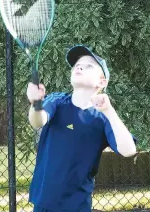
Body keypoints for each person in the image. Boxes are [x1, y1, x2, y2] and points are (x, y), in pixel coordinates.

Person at [27, 45, 137, 212]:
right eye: (77, 64)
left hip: (77, 206)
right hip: (43, 203)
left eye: (89, 66)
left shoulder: (103, 118)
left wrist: (109, 111)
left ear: (102, 82)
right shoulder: (57, 100)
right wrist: (36, 103)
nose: (79, 66)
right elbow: (38, 121)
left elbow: (129, 150)